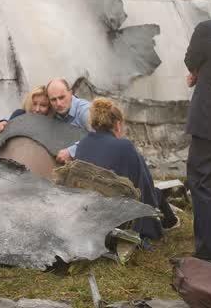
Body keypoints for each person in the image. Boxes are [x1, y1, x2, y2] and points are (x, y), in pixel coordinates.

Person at [76, 98, 178, 240]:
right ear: (118, 124)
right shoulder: (124, 146)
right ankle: (171, 222)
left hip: (91, 214)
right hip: (119, 217)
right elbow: (144, 189)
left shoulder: (82, 145)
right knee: (155, 191)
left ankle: (172, 221)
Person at [183, 0, 211, 264]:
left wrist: (198, 72)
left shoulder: (208, 30)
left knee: (205, 183)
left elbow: (190, 60)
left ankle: (209, 256)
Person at [46, 78, 91, 163]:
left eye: (62, 97)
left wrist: (71, 152)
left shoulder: (85, 111)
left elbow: (101, 137)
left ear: (70, 93)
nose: (58, 103)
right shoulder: (52, 114)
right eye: (53, 99)